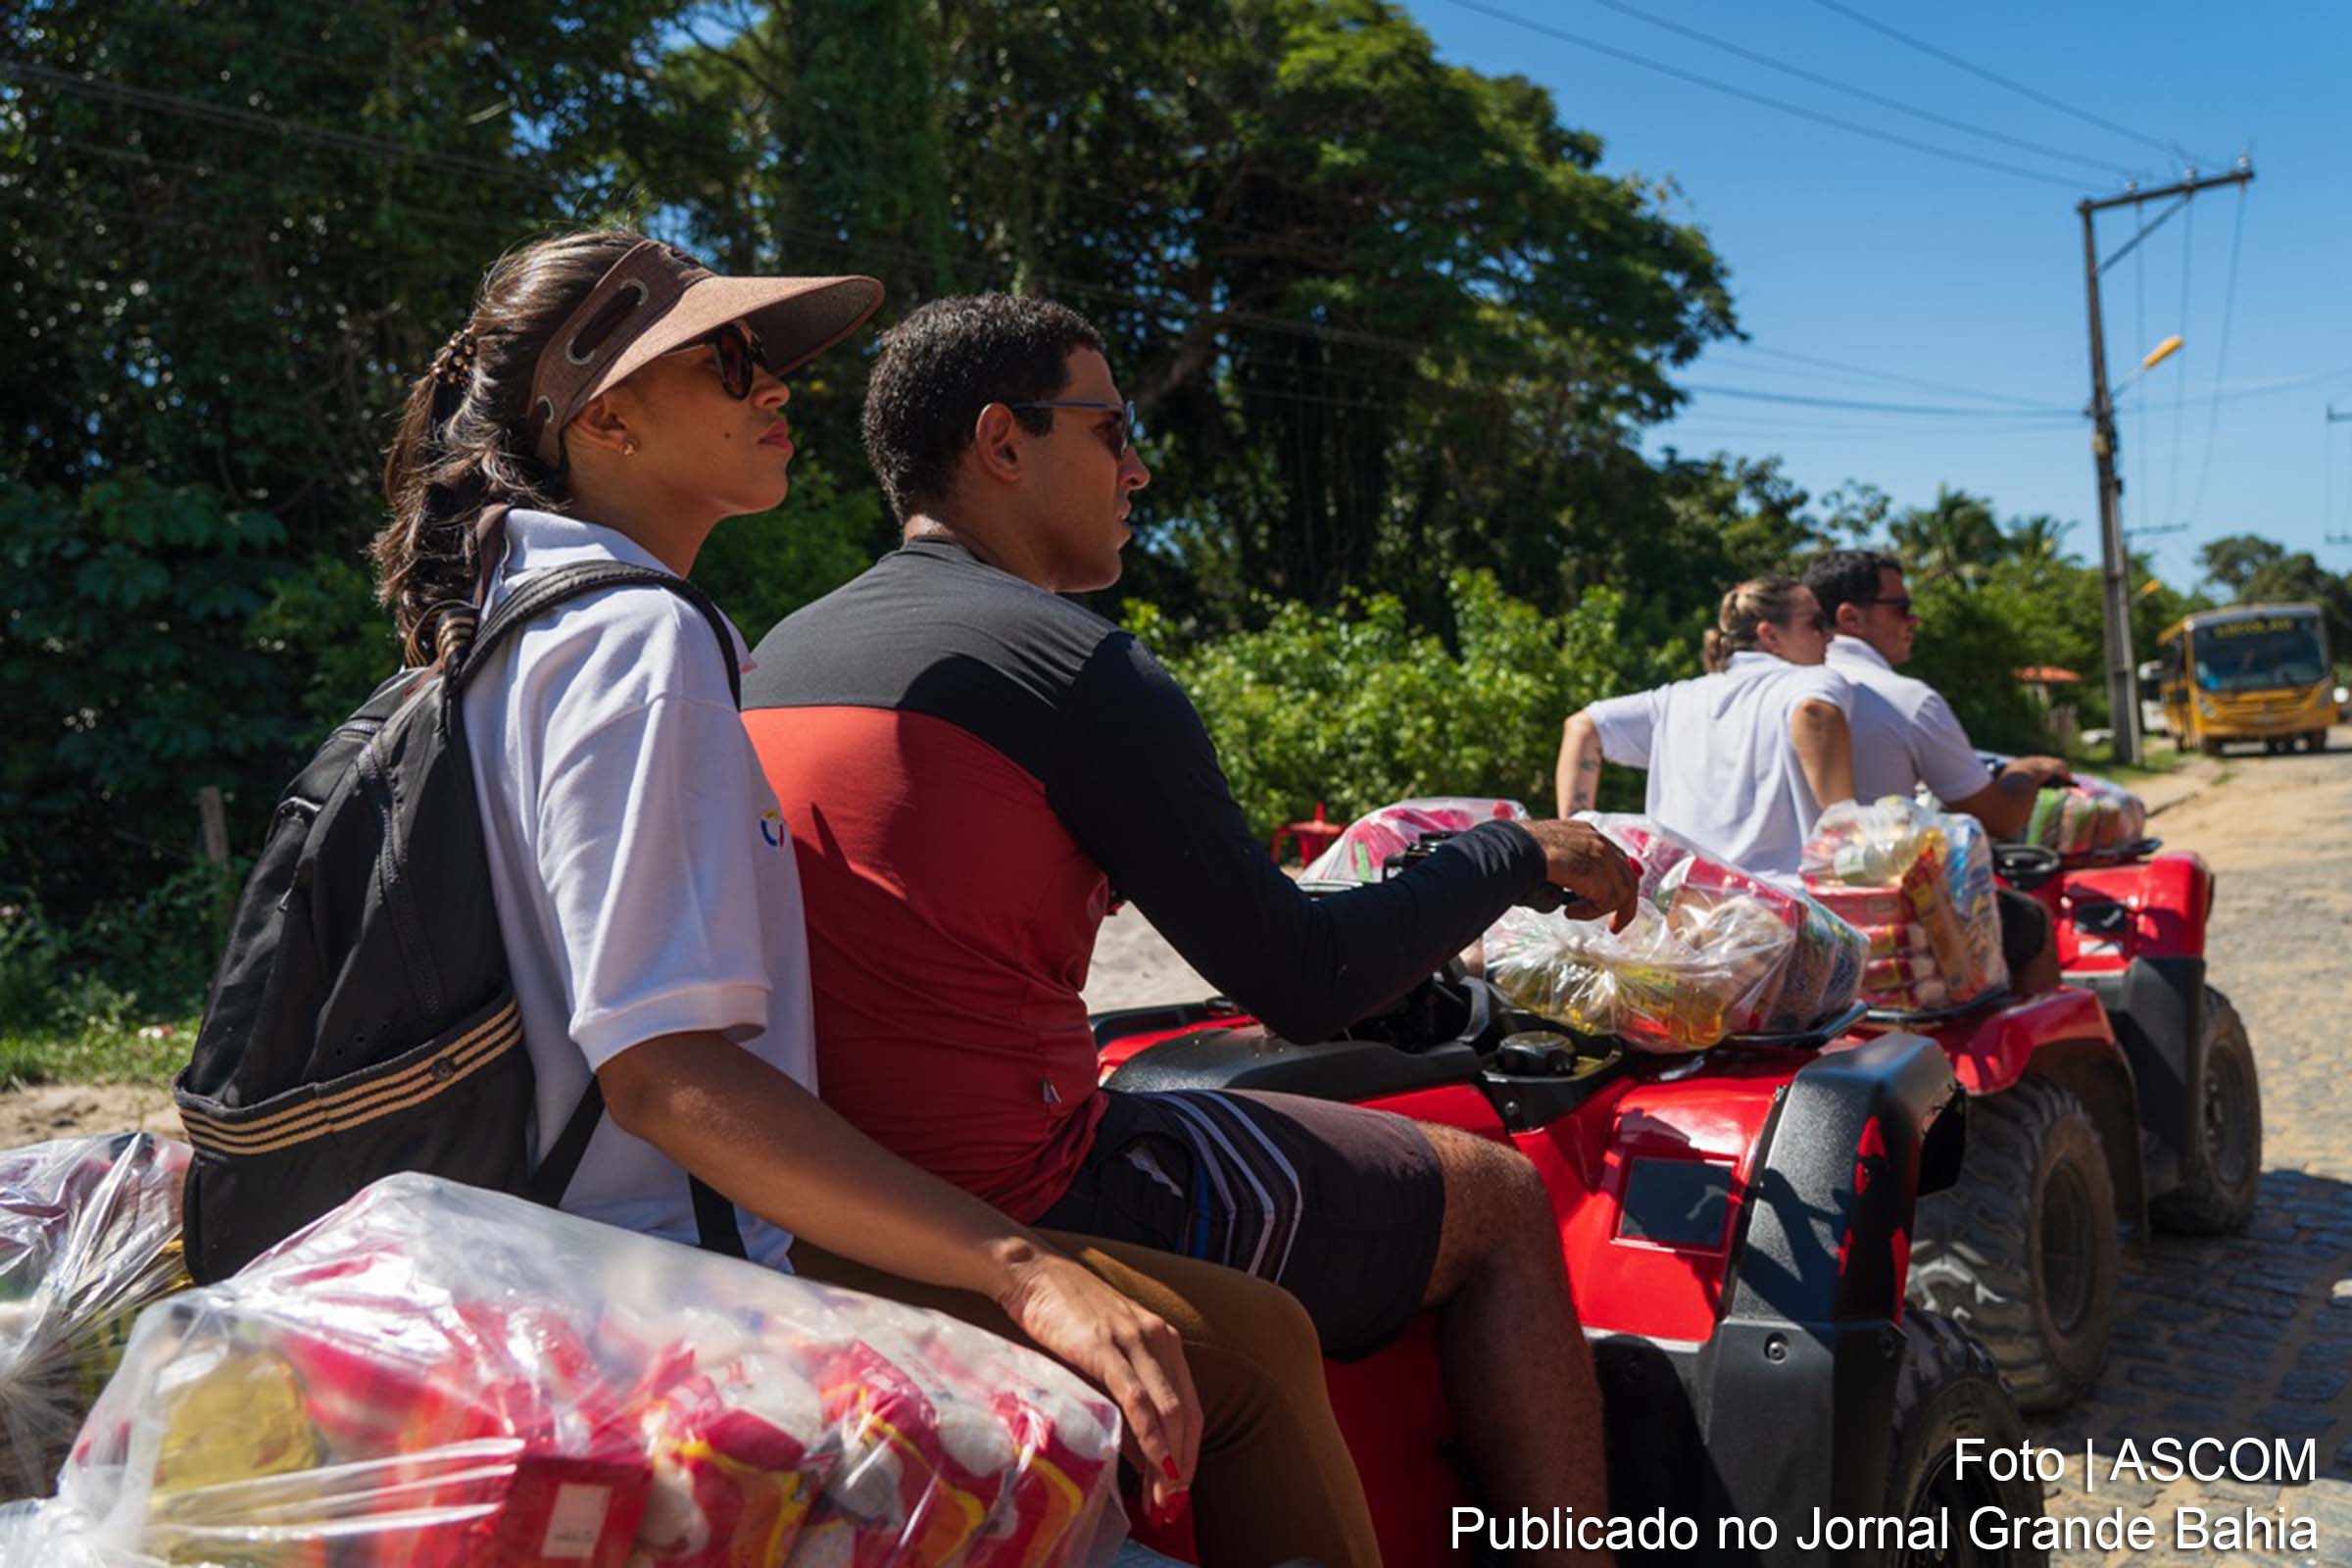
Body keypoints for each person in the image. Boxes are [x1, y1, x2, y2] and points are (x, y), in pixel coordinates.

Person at [370, 230, 1383, 1565]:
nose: (776, 388)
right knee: (1250, 1360)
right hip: (689, 1277)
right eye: (730, 363)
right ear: (606, 418)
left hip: (568, 1256)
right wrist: (1024, 1268)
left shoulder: (510, 629)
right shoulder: (635, 639)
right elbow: (666, 1076)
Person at [744, 294, 1639, 1563]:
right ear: (1003, 442)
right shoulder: (1073, 670)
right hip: (1025, 1194)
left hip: (831, 1194)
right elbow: (1309, 979)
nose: (1138, 465)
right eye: (1110, 429)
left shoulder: (777, 652)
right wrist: (1504, 855)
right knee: (1493, 1195)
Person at [1800, 549, 2064, 991]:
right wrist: (2027, 772)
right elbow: (1998, 817)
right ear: (1850, 618)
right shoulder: (1906, 698)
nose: (1913, 620)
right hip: (1870, 906)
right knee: (2032, 921)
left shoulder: (1768, 692)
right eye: (1901, 608)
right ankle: (2037, 1058)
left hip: (1784, 904)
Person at [1555, 578, 1856, 876]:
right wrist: (1847, 826)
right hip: (1782, 908)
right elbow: (1814, 712)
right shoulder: (1813, 680)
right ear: (1769, 635)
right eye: (1816, 623)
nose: (1830, 636)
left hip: (1684, 906)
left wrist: (1576, 836)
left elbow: (1584, 726)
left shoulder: (1673, 699)